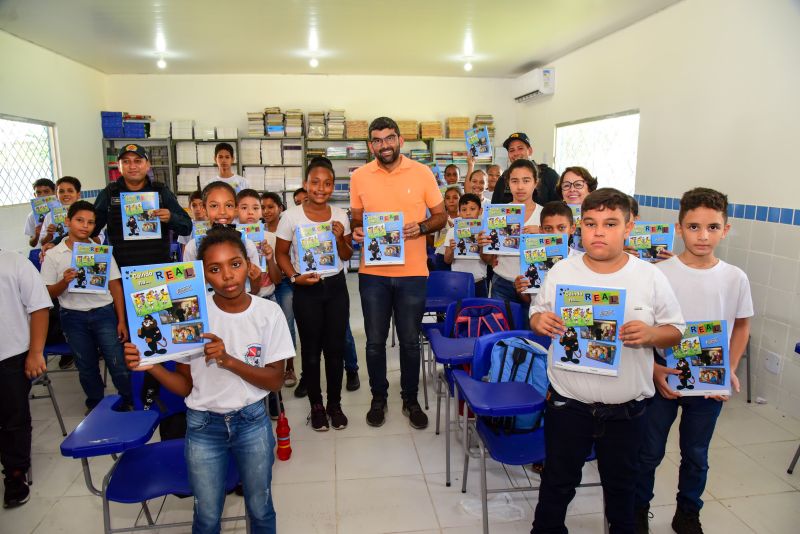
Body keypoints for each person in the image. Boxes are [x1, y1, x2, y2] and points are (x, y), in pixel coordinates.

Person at [529, 187, 685, 533]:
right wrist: (539, 320)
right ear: (579, 227)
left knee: (622, 491)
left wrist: (650, 335)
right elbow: (537, 313)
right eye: (590, 223)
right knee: (556, 484)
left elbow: (676, 330)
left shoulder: (650, 276)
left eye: (610, 223)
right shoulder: (561, 272)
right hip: (568, 406)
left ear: (629, 227)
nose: (598, 232)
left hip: (626, 411)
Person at [124, 226, 294, 533]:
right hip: (203, 425)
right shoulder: (190, 317)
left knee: (260, 506)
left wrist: (228, 360)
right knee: (206, 513)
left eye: (235, 264)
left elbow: (275, 381)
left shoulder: (269, 313)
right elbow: (185, 387)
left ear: (248, 264)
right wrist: (150, 366)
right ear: (203, 275)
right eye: (215, 269)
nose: (227, 276)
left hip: (252, 421)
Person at [634, 188, 753, 534]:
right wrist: (653, 368)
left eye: (713, 227)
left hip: (708, 384)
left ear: (726, 230)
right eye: (694, 227)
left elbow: (741, 326)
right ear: (679, 228)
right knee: (649, 452)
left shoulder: (735, 277)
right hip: (662, 378)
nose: (703, 236)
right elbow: (644, 329)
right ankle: (637, 510)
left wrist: (727, 369)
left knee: (696, 454)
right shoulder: (658, 273)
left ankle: (688, 513)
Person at [350, 116, 446, 429]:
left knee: (409, 340)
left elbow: (441, 216)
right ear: (370, 145)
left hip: (414, 273)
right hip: (373, 273)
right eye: (377, 140)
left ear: (400, 140)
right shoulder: (360, 176)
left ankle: (410, 398)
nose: (384, 145)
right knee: (375, 341)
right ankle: (379, 397)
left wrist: (420, 228)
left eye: (389, 138)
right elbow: (356, 220)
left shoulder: (422, 173)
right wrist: (357, 233)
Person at [275, 156, 353, 431]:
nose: (321, 188)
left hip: (335, 287)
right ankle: (316, 405)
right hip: (306, 287)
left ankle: (335, 403)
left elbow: (346, 255)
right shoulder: (290, 216)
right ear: (306, 184)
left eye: (328, 183)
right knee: (310, 350)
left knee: (335, 349)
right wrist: (295, 277)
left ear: (334, 186)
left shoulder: (340, 215)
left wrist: (341, 237)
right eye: (315, 182)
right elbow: (280, 253)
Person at [40, 201, 132, 413]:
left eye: (90, 222)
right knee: (86, 365)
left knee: (117, 362)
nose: (85, 226)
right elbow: (47, 293)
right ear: (68, 221)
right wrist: (64, 281)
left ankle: (127, 399)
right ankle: (96, 404)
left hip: (104, 313)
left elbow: (115, 286)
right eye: (80, 220)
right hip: (72, 317)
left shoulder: (101, 252)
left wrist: (121, 320)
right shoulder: (54, 254)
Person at [0, 249, 50, 508]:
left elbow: (39, 307)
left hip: (10, 355)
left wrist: (36, 352)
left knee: (13, 419)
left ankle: (15, 474)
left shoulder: (14, 261)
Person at [93, 144, 192, 268]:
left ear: (147, 165)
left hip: (158, 270)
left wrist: (171, 218)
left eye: (138, 161)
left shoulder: (161, 192)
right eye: (126, 161)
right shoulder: (109, 194)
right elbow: (91, 229)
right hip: (122, 272)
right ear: (118, 166)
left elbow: (187, 227)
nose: (132, 166)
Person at [485, 159, 543, 317]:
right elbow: (488, 258)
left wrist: (543, 234)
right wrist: (484, 245)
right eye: (515, 181)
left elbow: (558, 251)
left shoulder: (544, 216)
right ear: (508, 183)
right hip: (502, 282)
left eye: (526, 180)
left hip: (534, 287)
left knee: (530, 337)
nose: (520, 187)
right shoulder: (497, 214)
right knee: (501, 336)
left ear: (535, 183)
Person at [183, 182, 262, 294]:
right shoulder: (192, 248)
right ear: (204, 209)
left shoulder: (247, 245)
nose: (222, 212)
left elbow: (254, 291)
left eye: (228, 205)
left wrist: (256, 280)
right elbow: (188, 288)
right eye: (214, 206)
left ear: (235, 209)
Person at [261, 192, 299, 389]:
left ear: (280, 208)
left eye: (270, 207)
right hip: (263, 283)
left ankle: (289, 367)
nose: (266, 211)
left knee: (287, 323)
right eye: (263, 207)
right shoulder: (256, 232)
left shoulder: (288, 229)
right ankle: (267, 365)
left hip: (284, 282)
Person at [513, 200, 580, 301]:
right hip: (539, 315)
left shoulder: (581, 260)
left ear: (572, 228)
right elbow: (530, 300)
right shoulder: (532, 257)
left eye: (561, 228)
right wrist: (522, 290)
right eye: (548, 228)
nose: (555, 234)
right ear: (540, 230)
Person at [443, 193, 492, 297]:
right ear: (459, 212)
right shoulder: (452, 232)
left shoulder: (485, 233)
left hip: (479, 280)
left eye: (472, 209)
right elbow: (447, 260)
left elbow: (488, 261)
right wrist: (451, 250)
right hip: (458, 281)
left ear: (480, 211)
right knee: (459, 311)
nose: (468, 213)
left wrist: (482, 246)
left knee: (480, 311)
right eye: (464, 210)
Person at [491, 133, 559, 206]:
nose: (516, 153)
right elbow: (494, 210)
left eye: (520, 148)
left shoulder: (548, 175)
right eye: (511, 150)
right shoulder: (503, 178)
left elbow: (560, 208)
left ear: (530, 151)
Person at [237, 189, 280, 300]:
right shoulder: (229, 238)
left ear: (260, 211)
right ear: (236, 210)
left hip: (268, 297)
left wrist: (270, 259)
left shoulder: (270, 237)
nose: (250, 212)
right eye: (244, 208)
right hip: (240, 298)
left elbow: (277, 280)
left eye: (255, 208)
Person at [430, 186, 460, 271]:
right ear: (444, 201)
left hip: (459, 258)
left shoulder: (464, 220)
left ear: (461, 200)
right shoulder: (439, 218)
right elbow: (432, 239)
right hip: (441, 256)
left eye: (455, 198)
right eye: (447, 198)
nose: (451, 201)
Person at [25, 178, 56, 248]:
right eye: (38, 192)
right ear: (35, 195)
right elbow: (32, 244)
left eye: (46, 191)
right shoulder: (32, 216)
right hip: (44, 254)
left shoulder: (63, 211)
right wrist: (37, 235)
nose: (42, 195)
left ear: (54, 192)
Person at [178, 190, 207, 255]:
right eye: (194, 205)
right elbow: (184, 249)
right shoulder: (186, 226)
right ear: (189, 207)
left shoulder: (214, 224)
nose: (198, 209)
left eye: (201, 205)